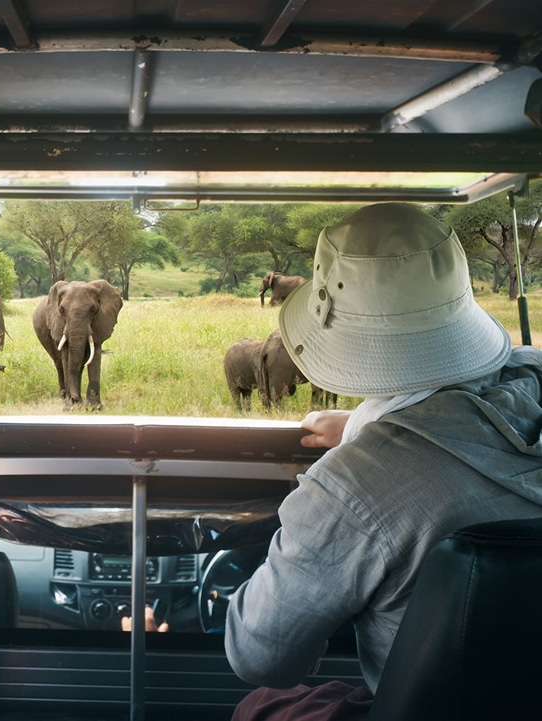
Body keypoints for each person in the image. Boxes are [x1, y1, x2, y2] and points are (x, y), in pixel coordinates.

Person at [225, 202, 542, 720]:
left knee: (263, 706)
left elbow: (261, 657)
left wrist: (357, 463)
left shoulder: (350, 487)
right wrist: (361, 428)